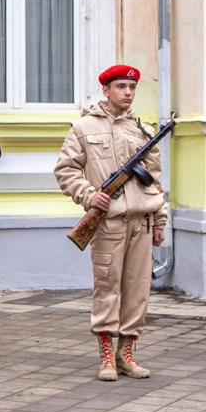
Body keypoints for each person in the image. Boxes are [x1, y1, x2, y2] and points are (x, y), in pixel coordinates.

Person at [54, 64, 167, 381]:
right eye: (121, 87)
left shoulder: (142, 132)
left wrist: (159, 220)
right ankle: (106, 354)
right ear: (106, 89)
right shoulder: (83, 128)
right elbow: (66, 171)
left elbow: (155, 181)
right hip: (108, 223)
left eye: (132, 88)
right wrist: (89, 196)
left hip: (142, 223)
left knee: (137, 289)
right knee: (107, 288)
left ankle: (126, 353)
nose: (127, 93)